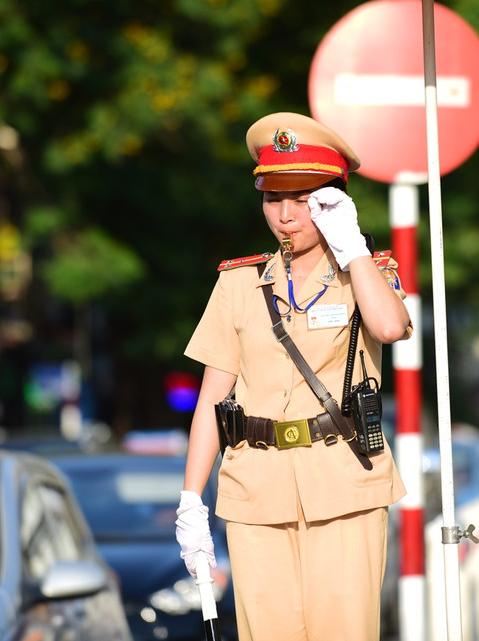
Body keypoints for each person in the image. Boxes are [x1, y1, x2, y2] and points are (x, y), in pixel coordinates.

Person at [176, 112, 412, 641]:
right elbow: (212, 398)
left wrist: (351, 246)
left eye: (303, 199)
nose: (285, 215)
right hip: (254, 489)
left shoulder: (364, 272)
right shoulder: (238, 284)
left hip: (343, 482)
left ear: (332, 201)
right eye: (272, 198)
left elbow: (391, 326)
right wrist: (191, 499)